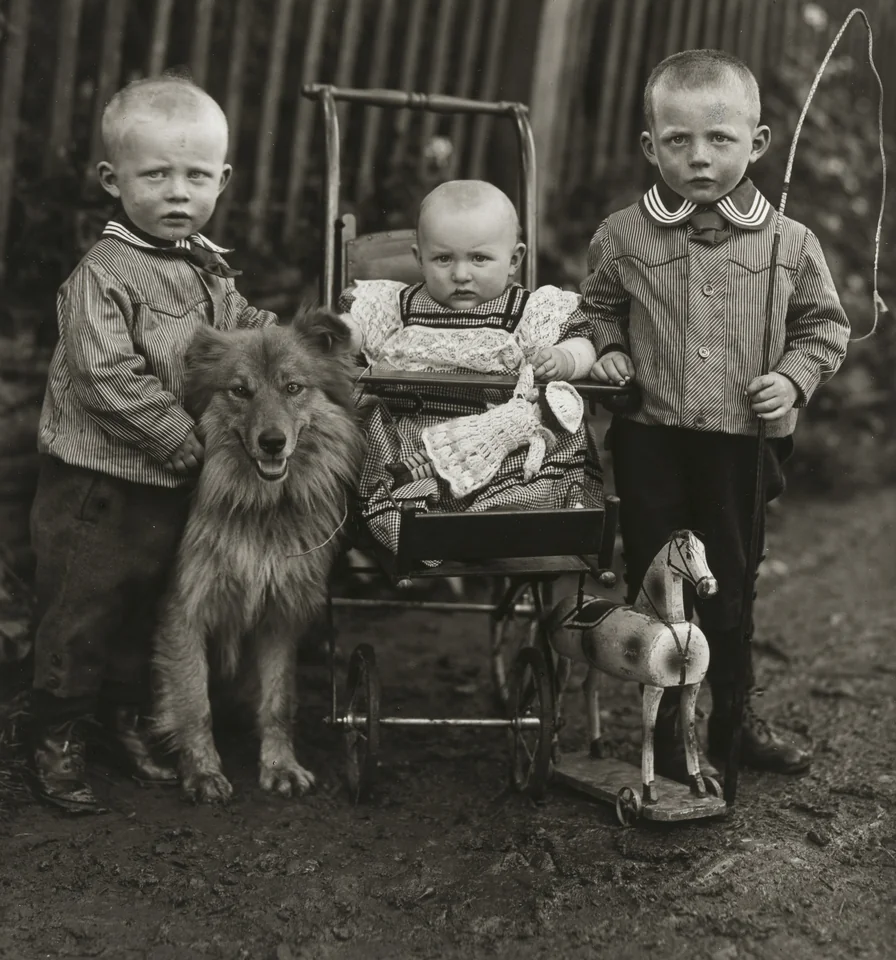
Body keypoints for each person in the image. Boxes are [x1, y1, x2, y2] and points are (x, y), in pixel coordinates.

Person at [582, 49, 850, 782]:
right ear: (651, 145)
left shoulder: (790, 244)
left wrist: (793, 382)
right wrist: (607, 352)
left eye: (720, 139)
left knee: (729, 584)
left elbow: (824, 328)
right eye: (678, 140)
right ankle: (668, 724)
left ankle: (734, 717)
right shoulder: (623, 236)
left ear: (756, 143)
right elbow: (598, 310)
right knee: (655, 580)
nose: (698, 157)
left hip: (741, 445)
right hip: (650, 441)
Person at [29, 74, 277, 814]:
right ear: (113, 179)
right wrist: (179, 438)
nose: (178, 192)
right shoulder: (101, 277)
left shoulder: (202, 265)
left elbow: (242, 329)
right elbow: (105, 374)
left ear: (223, 181)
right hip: (97, 488)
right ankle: (55, 734)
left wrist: (289, 342)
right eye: (155, 175)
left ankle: (122, 718)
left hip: (170, 486)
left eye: (196, 176)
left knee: (148, 607)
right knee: (83, 609)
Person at [340, 180, 601, 555]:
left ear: (514, 260)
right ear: (419, 258)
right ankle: (422, 527)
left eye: (479, 259)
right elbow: (357, 329)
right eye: (443, 259)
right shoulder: (397, 306)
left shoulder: (528, 312)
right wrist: (343, 334)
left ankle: (499, 521)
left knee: (546, 438)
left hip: (496, 440)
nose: (460, 274)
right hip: (413, 437)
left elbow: (582, 341)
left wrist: (564, 358)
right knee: (377, 446)